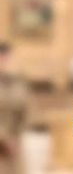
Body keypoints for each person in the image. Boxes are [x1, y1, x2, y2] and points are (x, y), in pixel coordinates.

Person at [0, 42, 27, 174]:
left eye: (7, 58)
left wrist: (16, 137)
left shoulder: (17, 83)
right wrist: (4, 139)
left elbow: (27, 110)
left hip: (15, 145)